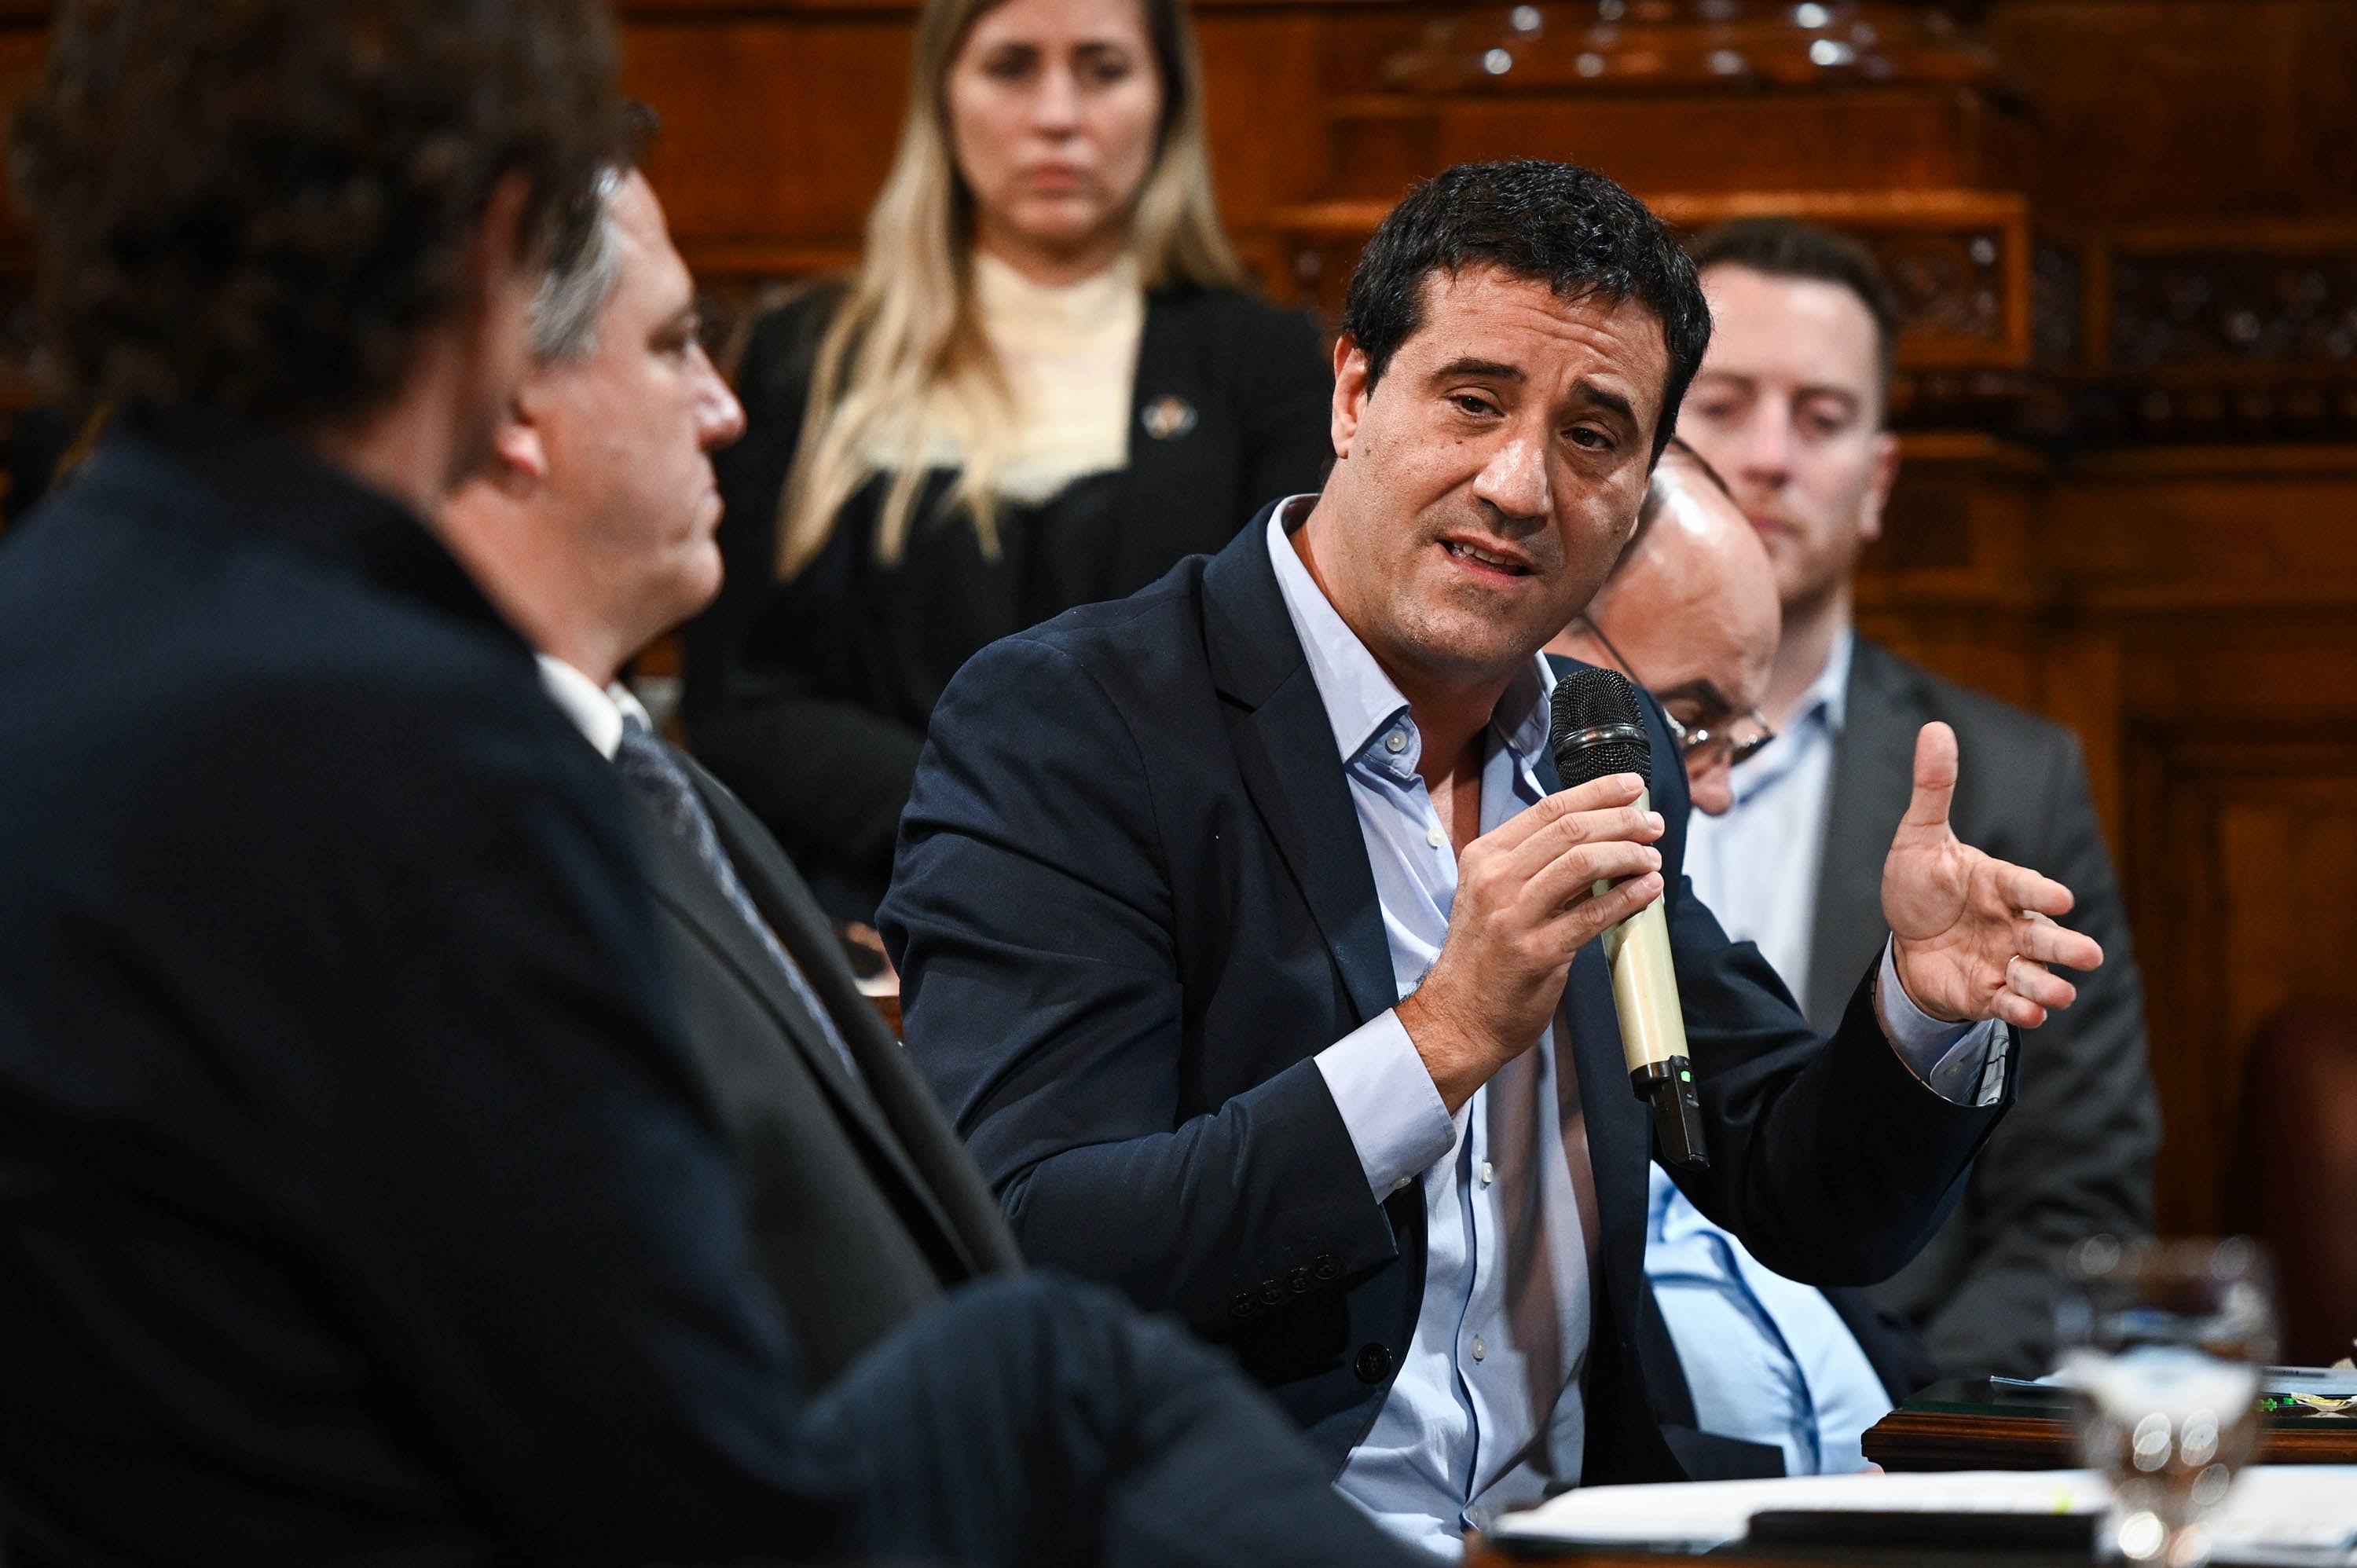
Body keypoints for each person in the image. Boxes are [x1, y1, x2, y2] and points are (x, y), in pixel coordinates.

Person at [0, 9, 1424, 1565]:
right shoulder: (416, 741)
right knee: (1063, 1376)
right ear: (497, 250)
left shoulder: (58, 619)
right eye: (679, 341)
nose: (727, 406)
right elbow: (675, 1493)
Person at [882, 159, 2106, 1558]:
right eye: (1473, 401)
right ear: (1353, 397)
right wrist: (1443, 1037)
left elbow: (1788, 1180)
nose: (1520, 483)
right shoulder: (1076, 723)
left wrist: (1919, 1009)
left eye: (1594, 436)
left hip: (1578, 1534)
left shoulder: (1602, 738)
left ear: (1641, 486)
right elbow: (1032, 1243)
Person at [441, 163, 1025, 1387]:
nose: (725, 409)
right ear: (509, 405)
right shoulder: (456, 840)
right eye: (671, 348)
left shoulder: (662, 789)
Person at [681, 0, 1333, 921]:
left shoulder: (1258, 362)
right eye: (1012, 66)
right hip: (878, 903)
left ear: (1167, 104)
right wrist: (977, 818)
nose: (1058, 115)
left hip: (1180, 905)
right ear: (943, 96)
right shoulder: (814, 355)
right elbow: (740, 701)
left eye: (1104, 69)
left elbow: (1284, 675)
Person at [1674, 216, 2160, 1380]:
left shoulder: (2012, 780)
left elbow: (2075, 1209)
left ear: (1878, 481)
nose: (1772, 456)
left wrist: (1897, 1441)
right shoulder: (1518, 733)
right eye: (1724, 406)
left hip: (1893, 1423)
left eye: (1823, 418)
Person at [1553, 442, 1937, 1479]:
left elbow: (1792, 1160)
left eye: (1738, 733)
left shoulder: (1645, 909)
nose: (1713, 790)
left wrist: (1925, 1006)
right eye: (1691, 722)